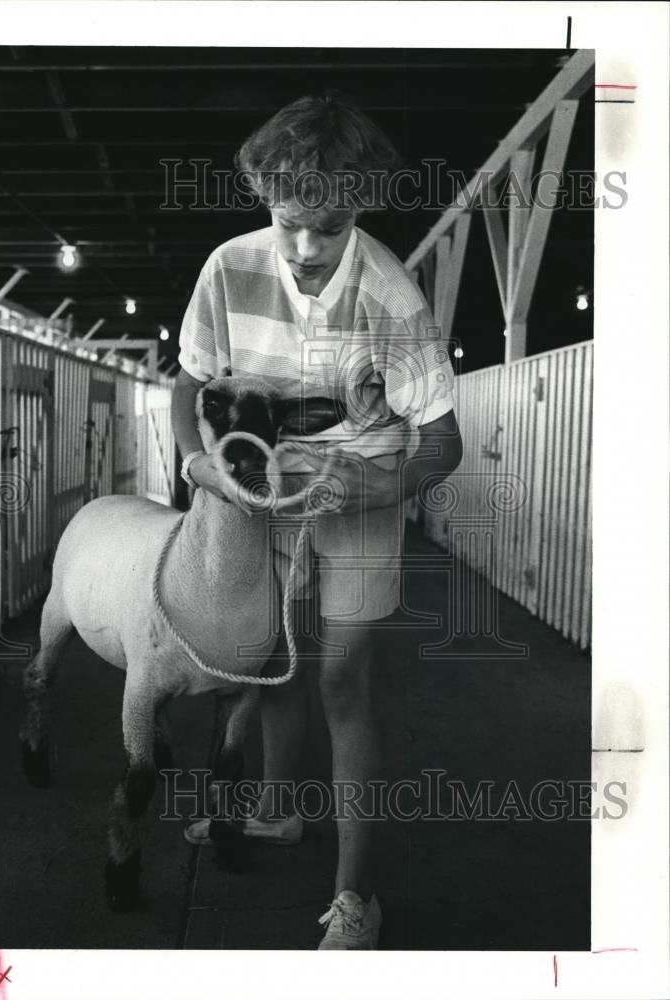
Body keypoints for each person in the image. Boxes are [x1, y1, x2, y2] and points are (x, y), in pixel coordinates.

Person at [171, 93, 462, 949]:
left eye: (329, 228)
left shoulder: (392, 296)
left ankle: (355, 898)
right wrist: (195, 461)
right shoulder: (228, 267)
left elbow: (442, 444)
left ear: (360, 208)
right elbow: (188, 385)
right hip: (259, 486)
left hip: (363, 484)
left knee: (341, 679)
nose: (304, 247)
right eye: (289, 220)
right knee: (264, 663)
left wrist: (367, 493)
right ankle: (275, 815)